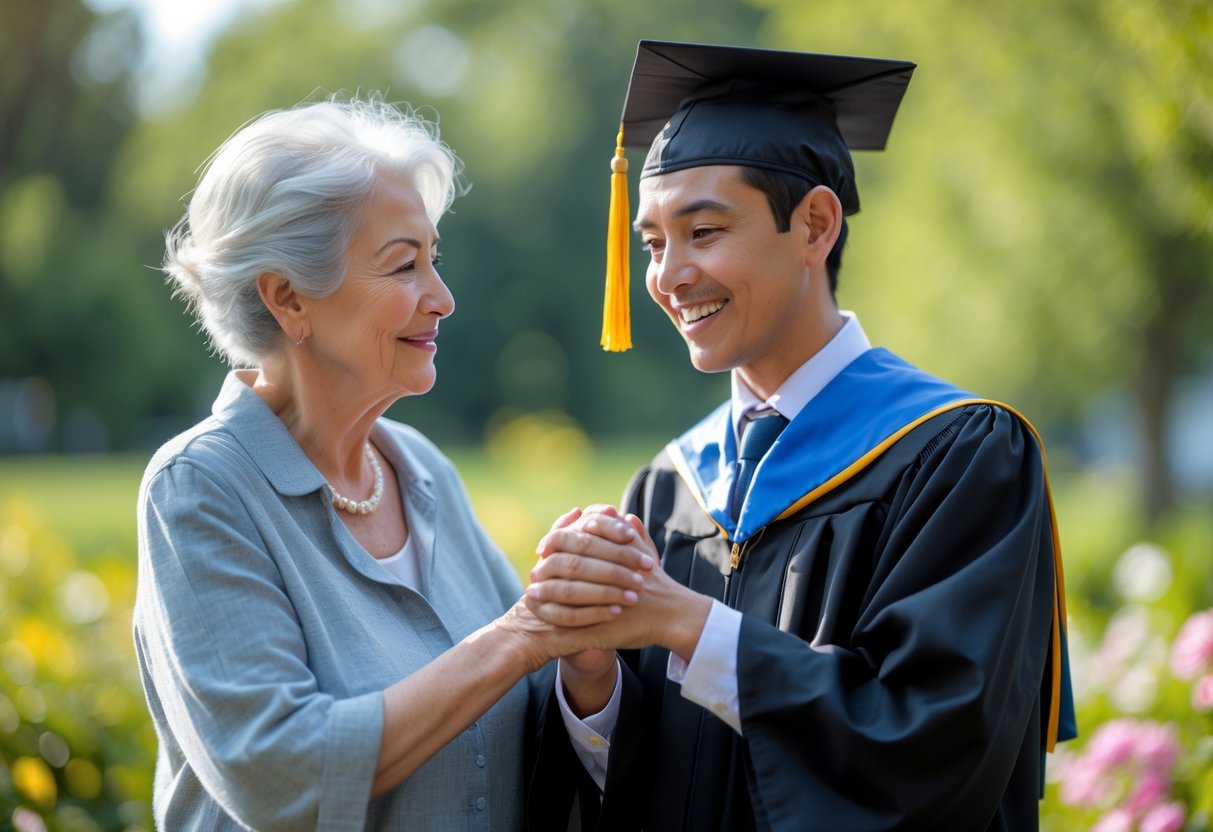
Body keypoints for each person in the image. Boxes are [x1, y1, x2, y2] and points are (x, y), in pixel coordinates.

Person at [523, 41, 1077, 831]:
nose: (668, 275)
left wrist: (683, 621)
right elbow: (648, 776)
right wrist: (590, 677)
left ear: (815, 225)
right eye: (651, 244)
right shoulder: (670, 484)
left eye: (704, 230)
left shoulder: (958, 455)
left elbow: (935, 746)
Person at [131, 94, 648, 830]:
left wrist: (584, 655)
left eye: (433, 261)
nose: (442, 298)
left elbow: (515, 721)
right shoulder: (201, 488)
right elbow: (282, 777)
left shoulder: (422, 470)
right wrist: (526, 634)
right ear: (288, 299)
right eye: (404, 266)